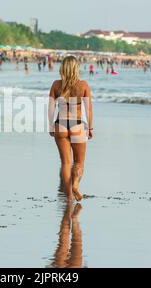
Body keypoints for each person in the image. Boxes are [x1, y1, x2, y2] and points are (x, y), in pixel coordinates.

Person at [48, 56, 93, 201]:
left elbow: (50, 107)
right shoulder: (83, 85)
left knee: (66, 163)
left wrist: (50, 125)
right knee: (79, 162)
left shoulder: (56, 85)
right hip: (77, 124)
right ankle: (75, 185)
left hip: (60, 123)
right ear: (76, 68)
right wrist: (90, 127)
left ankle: (68, 196)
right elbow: (89, 109)